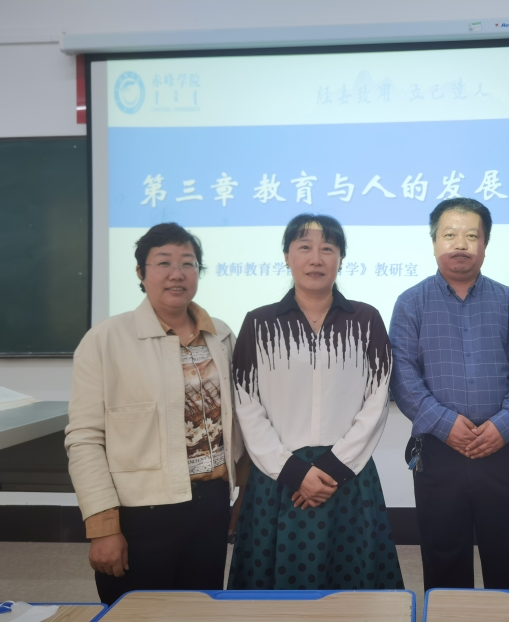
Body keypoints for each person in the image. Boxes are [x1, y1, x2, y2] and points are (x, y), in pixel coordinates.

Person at [65, 223, 247, 605]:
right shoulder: (106, 340)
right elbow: (84, 439)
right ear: (140, 272)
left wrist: (241, 492)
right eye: (163, 262)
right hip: (140, 514)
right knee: (138, 612)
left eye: (188, 263)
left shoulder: (221, 336)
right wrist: (103, 526)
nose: (177, 274)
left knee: (199, 610)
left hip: (211, 505)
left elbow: (238, 424)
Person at [228, 214, 403, 590]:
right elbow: (246, 406)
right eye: (304, 247)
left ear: (341, 258)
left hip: (348, 476)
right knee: (274, 602)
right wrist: (293, 472)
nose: (316, 258)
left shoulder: (366, 320)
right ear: (287, 256)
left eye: (328, 249)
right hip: (279, 479)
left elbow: (377, 400)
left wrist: (334, 467)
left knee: (352, 592)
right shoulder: (258, 324)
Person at [389, 197, 509, 590]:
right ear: (434, 242)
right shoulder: (410, 303)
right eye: (449, 234)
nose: (460, 244)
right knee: (444, 563)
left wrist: (503, 425)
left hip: (503, 451)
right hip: (438, 453)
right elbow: (402, 376)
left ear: (485, 244)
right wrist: (445, 424)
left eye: (471, 236)